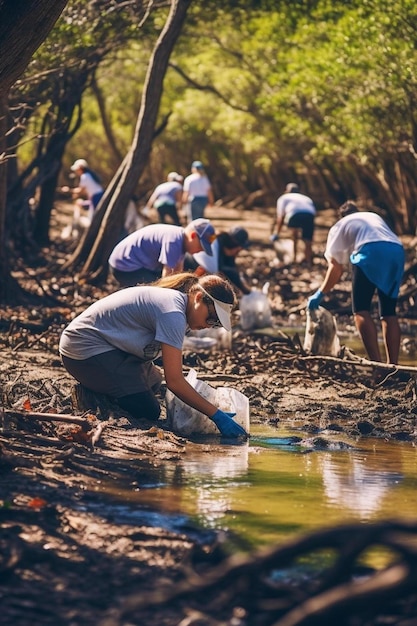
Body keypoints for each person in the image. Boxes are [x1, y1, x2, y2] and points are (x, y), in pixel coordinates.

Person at [59, 272, 248, 438]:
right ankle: (98, 397)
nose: (209, 325)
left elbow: (167, 377)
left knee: (155, 382)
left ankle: (108, 386)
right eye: (212, 318)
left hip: (112, 348)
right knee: (148, 410)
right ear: (198, 298)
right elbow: (174, 381)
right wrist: (215, 415)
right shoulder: (173, 313)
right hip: (83, 350)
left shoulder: (180, 308)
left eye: (216, 324)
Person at [307, 201, 405, 364]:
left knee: (361, 310)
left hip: (370, 252)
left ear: (341, 216)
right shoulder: (372, 217)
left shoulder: (340, 225)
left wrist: (320, 294)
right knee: (388, 312)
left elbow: (336, 268)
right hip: (397, 251)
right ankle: (393, 366)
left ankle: (377, 367)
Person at [108, 218, 216, 287]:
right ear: (193, 236)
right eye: (201, 246)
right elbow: (167, 279)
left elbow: (177, 273)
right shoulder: (174, 241)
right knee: (153, 292)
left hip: (138, 264)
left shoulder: (181, 239)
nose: (201, 251)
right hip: (125, 266)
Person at [184, 226, 252, 295]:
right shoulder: (213, 241)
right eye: (238, 250)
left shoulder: (220, 243)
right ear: (237, 247)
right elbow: (224, 273)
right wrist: (247, 292)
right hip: (190, 267)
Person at [271, 182, 316, 266]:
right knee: (308, 240)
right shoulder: (306, 198)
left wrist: (277, 232)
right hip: (310, 216)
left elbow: (281, 217)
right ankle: (308, 261)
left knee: (294, 235)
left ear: (287, 190)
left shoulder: (283, 198)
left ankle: (294, 258)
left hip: (294, 214)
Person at [70, 158, 104, 224]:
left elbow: (81, 191)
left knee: (94, 219)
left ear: (80, 168)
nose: (76, 171)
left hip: (96, 197)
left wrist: (68, 190)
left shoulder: (85, 176)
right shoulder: (89, 175)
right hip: (96, 197)